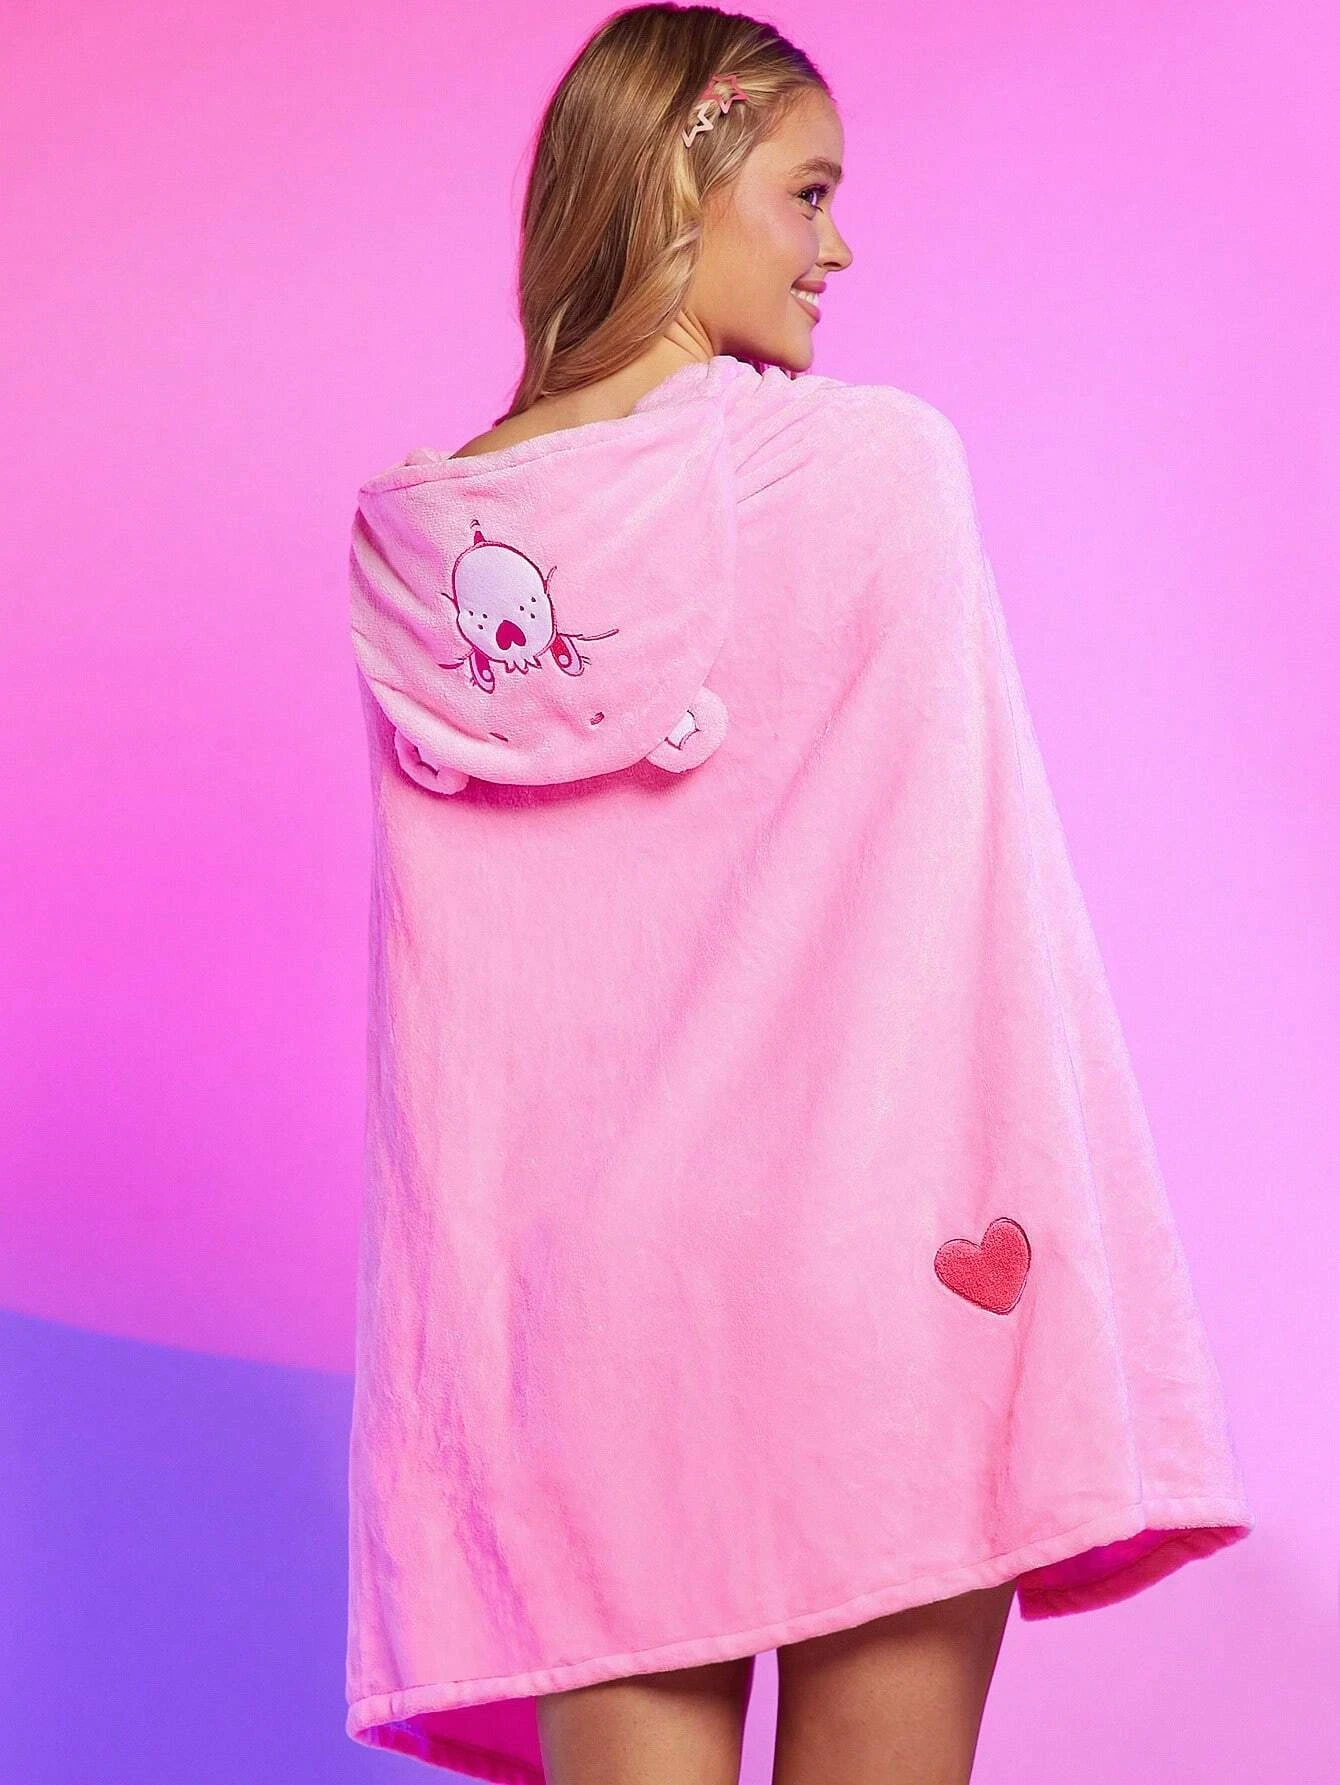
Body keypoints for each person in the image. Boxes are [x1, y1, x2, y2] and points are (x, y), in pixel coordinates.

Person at [343, 8, 1253, 1783]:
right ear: (683, 180)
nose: (840, 249)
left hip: (582, 1331)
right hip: (872, 1284)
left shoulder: (429, 561)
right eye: (810, 192)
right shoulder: (875, 466)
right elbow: (967, 912)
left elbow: (455, 1032)